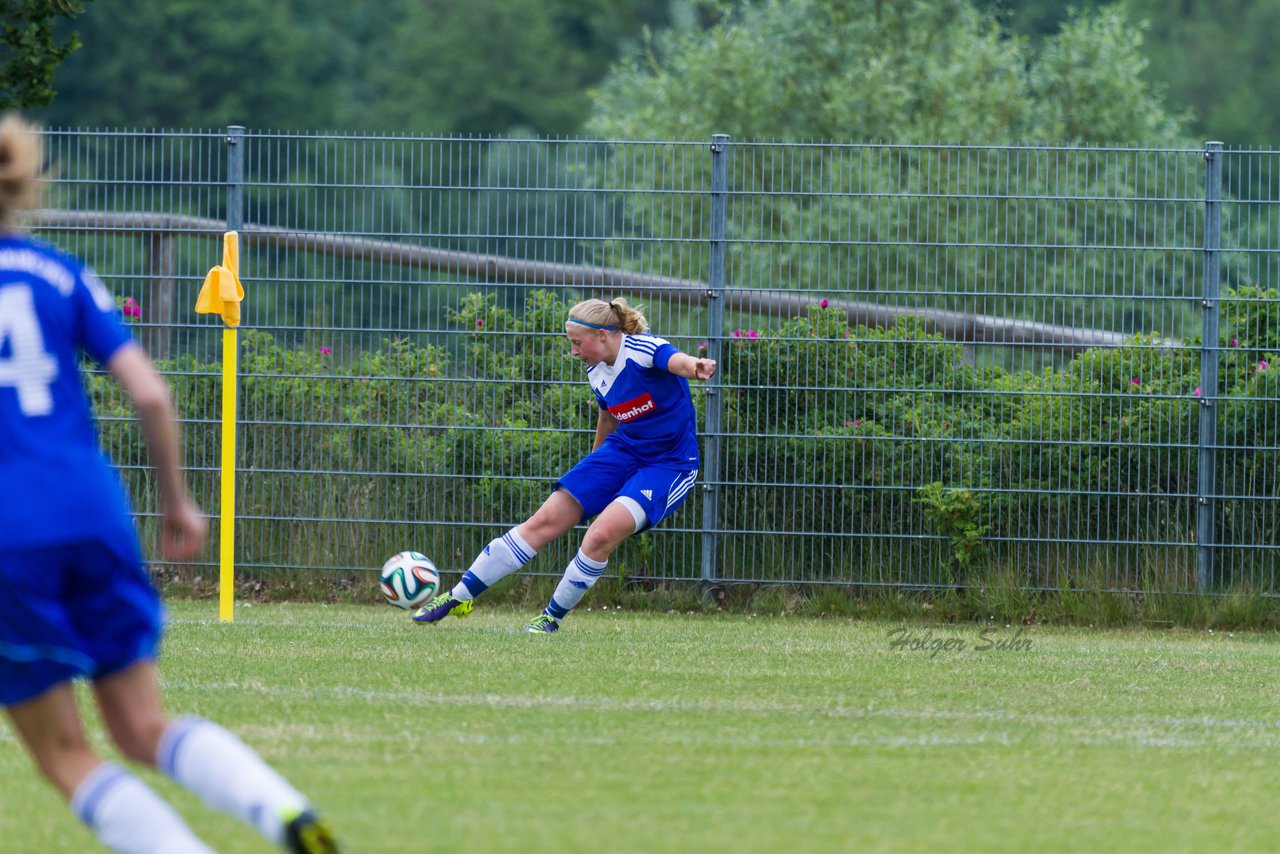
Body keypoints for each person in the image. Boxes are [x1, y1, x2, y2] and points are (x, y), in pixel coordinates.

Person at [0, 114, 339, 854]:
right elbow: (151, 395)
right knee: (142, 727)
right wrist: (178, 499)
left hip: (9, 538)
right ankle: (282, 810)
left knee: (66, 754)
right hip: (94, 512)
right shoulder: (61, 272)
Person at [414, 296, 717, 633]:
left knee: (600, 535)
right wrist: (596, 460)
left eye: (577, 342)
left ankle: (550, 617)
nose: (573, 351)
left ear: (603, 335)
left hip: (669, 465)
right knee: (542, 521)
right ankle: (458, 597)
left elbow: (673, 360)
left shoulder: (642, 349)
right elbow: (608, 414)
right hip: (621, 452)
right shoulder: (595, 370)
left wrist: (695, 366)